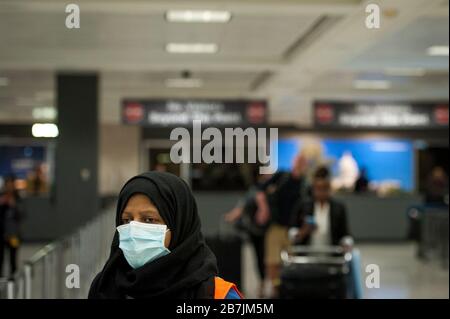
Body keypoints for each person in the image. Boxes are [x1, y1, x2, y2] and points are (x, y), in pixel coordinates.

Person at [88, 171, 243, 299]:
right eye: (126, 220)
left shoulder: (218, 295)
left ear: (179, 226)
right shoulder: (104, 287)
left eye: (149, 219)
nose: (134, 228)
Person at [254, 154, 308, 298]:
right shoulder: (282, 176)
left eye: (303, 163)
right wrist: (263, 208)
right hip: (275, 226)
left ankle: (288, 287)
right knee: (273, 261)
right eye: (299, 161)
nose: (300, 165)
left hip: (291, 229)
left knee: (291, 260)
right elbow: (260, 190)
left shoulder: (303, 184)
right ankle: (276, 289)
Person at [224, 173, 272, 298]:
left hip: (267, 231)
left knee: (266, 259)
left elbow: (263, 212)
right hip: (256, 232)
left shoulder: (268, 191)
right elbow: (241, 208)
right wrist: (230, 216)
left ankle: (267, 284)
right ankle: (262, 284)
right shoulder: (253, 192)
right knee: (260, 258)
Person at [291, 166, 352, 248]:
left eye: (325, 188)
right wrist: (303, 231)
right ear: (313, 188)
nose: (322, 192)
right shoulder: (303, 206)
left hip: (333, 256)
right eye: (318, 189)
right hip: (306, 257)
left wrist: (346, 243)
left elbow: (345, 235)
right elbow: (292, 235)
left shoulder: (339, 208)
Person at [0, 175, 23, 277]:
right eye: (7, 185)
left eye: (11, 185)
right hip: (2, 233)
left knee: (13, 258)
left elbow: (22, 214)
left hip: (14, 234)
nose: (9, 187)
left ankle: (13, 280)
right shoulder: (1, 197)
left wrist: (14, 205)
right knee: (0, 259)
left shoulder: (18, 198)